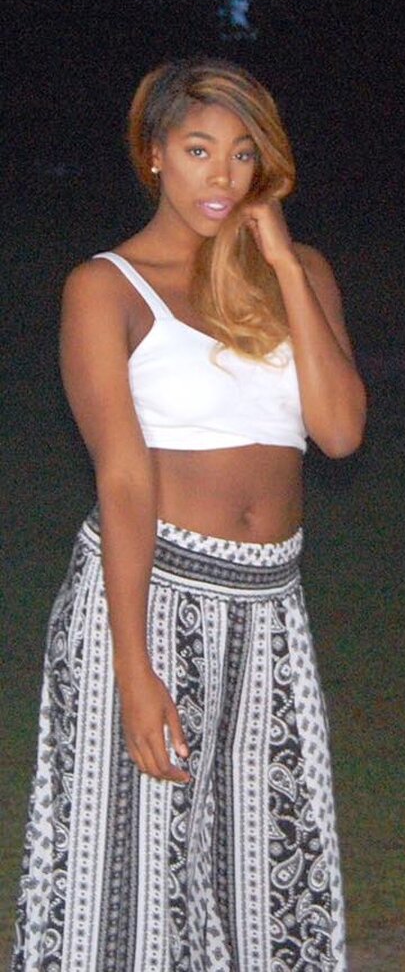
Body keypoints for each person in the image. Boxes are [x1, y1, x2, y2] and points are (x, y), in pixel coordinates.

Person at [13, 58, 366, 970]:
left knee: (263, 869)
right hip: (149, 594)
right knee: (128, 876)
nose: (222, 174)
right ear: (154, 154)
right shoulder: (106, 287)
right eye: (199, 149)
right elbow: (124, 479)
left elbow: (338, 432)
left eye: (243, 154)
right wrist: (132, 666)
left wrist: (281, 262)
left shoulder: (303, 272)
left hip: (269, 606)